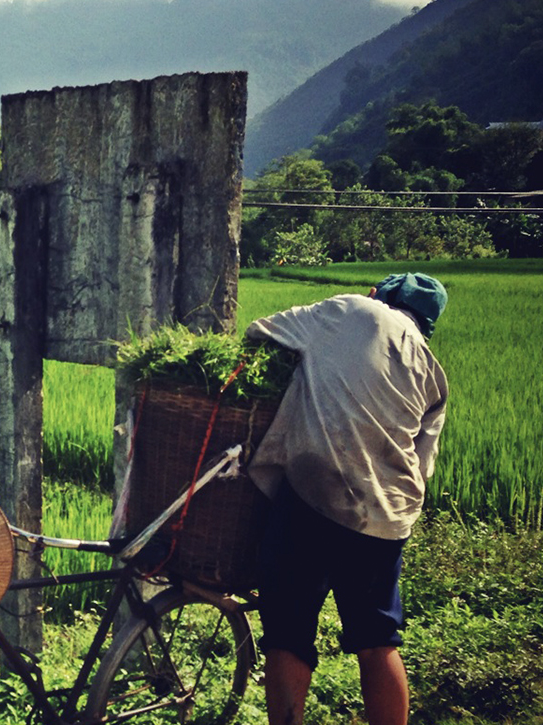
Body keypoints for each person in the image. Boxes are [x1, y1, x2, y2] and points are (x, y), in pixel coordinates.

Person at [244, 273, 449, 725]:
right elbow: (423, 464)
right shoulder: (435, 375)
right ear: (427, 323)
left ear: (379, 295)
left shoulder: (350, 308)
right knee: (378, 639)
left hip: (313, 493)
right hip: (386, 516)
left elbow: (261, 330)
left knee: (288, 631)